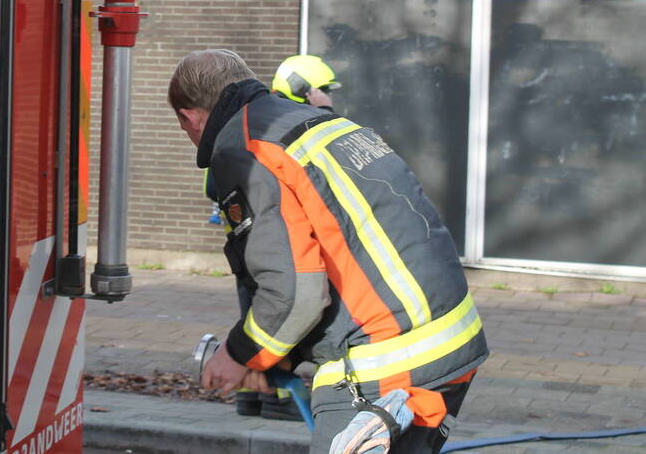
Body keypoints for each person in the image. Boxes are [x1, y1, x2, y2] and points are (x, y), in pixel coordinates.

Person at [170, 49, 487, 452]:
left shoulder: (243, 146)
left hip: (384, 366)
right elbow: (339, 247)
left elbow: (296, 291)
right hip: (448, 344)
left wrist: (239, 354)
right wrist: (278, 357)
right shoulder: (312, 121)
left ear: (189, 116)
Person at [207, 53, 341, 421]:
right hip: (272, 246)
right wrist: (326, 110)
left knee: (259, 313)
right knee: (279, 312)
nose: (328, 94)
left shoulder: (262, 122)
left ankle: (251, 395)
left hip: (256, 246)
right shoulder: (285, 127)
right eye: (323, 88)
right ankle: (276, 398)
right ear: (303, 88)